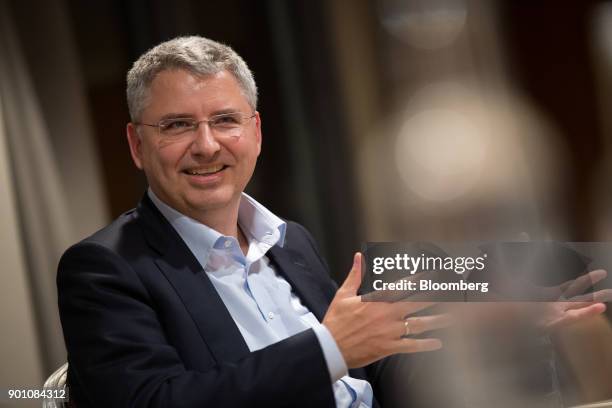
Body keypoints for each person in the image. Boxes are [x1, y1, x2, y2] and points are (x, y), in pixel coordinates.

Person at [57, 36, 449, 408]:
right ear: (137, 145)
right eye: (177, 125)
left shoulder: (289, 239)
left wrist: (444, 347)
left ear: (256, 133)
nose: (207, 146)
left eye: (225, 120)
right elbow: (158, 401)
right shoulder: (102, 269)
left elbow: (362, 366)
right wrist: (329, 348)